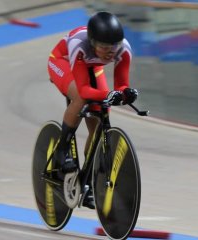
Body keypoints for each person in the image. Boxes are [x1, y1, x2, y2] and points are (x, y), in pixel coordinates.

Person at [47, 11, 138, 207]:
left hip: (92, 66)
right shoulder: (79, 45)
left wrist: (126, 92)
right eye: (105, 46)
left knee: (100, 118)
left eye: (114, 46)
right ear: (92, 42)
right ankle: (62, 150)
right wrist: (107, 95)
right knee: (81, 98)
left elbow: (121, 84)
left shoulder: (124, 49)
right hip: (62, 62)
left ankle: (86, 179)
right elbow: (85, 89)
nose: (111, 51)